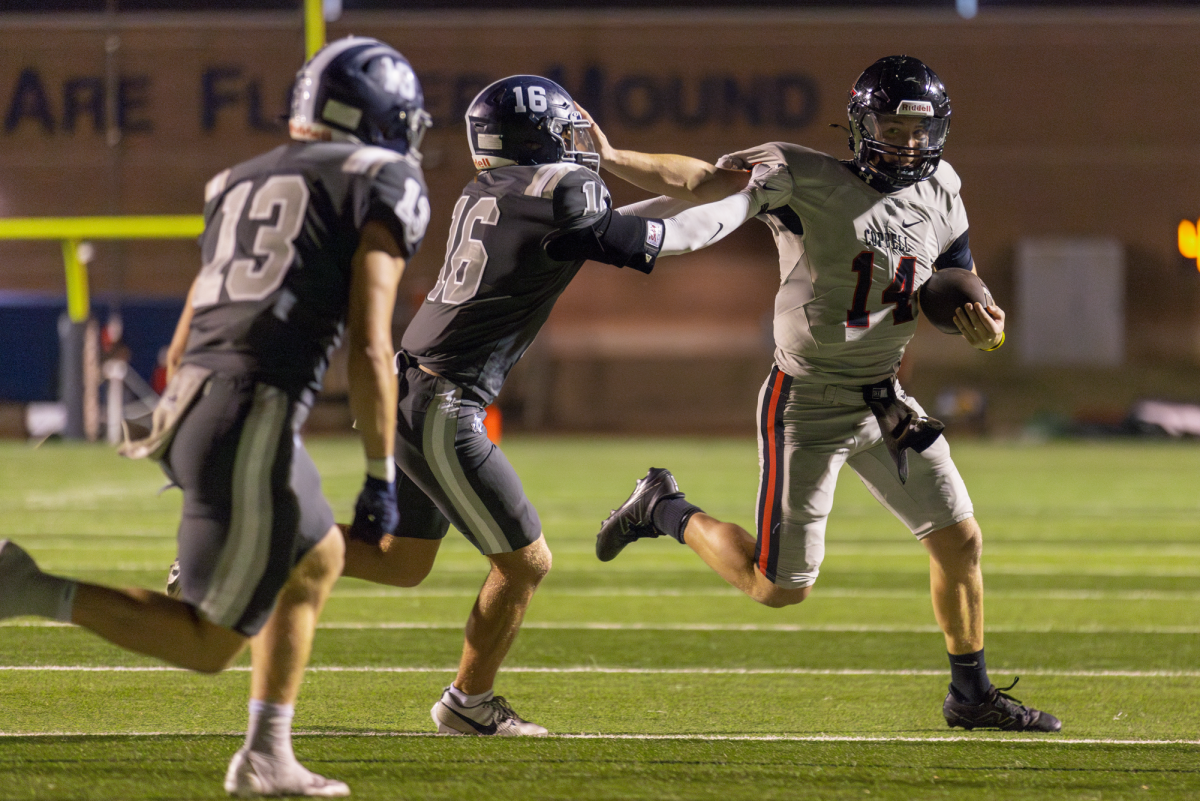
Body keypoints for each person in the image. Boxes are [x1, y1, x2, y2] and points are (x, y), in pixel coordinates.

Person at [0, 35, 433, 797]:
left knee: (319, 555)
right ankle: (28, 587)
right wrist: (378, 475)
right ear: (379, 113)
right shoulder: (382, 176)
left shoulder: (238, 179)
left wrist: (176, 408)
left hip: (201, 398)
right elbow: (369, 345)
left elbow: (198, 308)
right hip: (253, 411)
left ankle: (268, 753)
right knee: (208, 643)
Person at [589, 55, 1062, 733]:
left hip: (887, 398)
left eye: (917, 130)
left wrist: (986, 321)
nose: (906, 143)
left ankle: (971, 694)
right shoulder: (800, 175)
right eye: (891, 127)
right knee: (779, 587)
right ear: (861, 125)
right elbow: (698, 181)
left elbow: (957, 272)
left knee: (960, 540)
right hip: (806, 401)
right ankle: (664, 508)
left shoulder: (944, 187)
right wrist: (609, 157)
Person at [334, 74, 789, 737]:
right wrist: (749, 203)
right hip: (441, 401)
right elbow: (663, 240)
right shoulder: (561, 190)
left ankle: (258, 546)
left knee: (402, 561)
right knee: (526, 560)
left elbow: (618, 223)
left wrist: (725, 190)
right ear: (542, 138)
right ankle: (468, 702)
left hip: (416, 388)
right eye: (566, 132)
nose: (580, 143)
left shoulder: (492, 188)